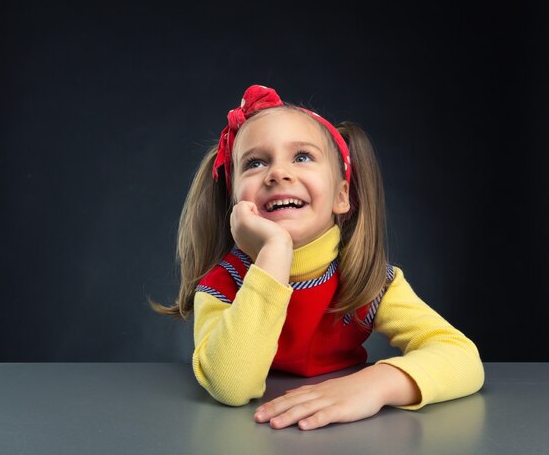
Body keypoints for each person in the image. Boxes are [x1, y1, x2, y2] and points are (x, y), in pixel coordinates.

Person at [152, 84, 484, 430]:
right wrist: (274, 253)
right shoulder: (222, 284)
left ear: (342, 196)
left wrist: (374, 386)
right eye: (255, 162)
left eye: (302, 157)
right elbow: (231, 386)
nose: (278, 173)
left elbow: (462, 358)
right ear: (233, 201)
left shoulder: (370, 281)